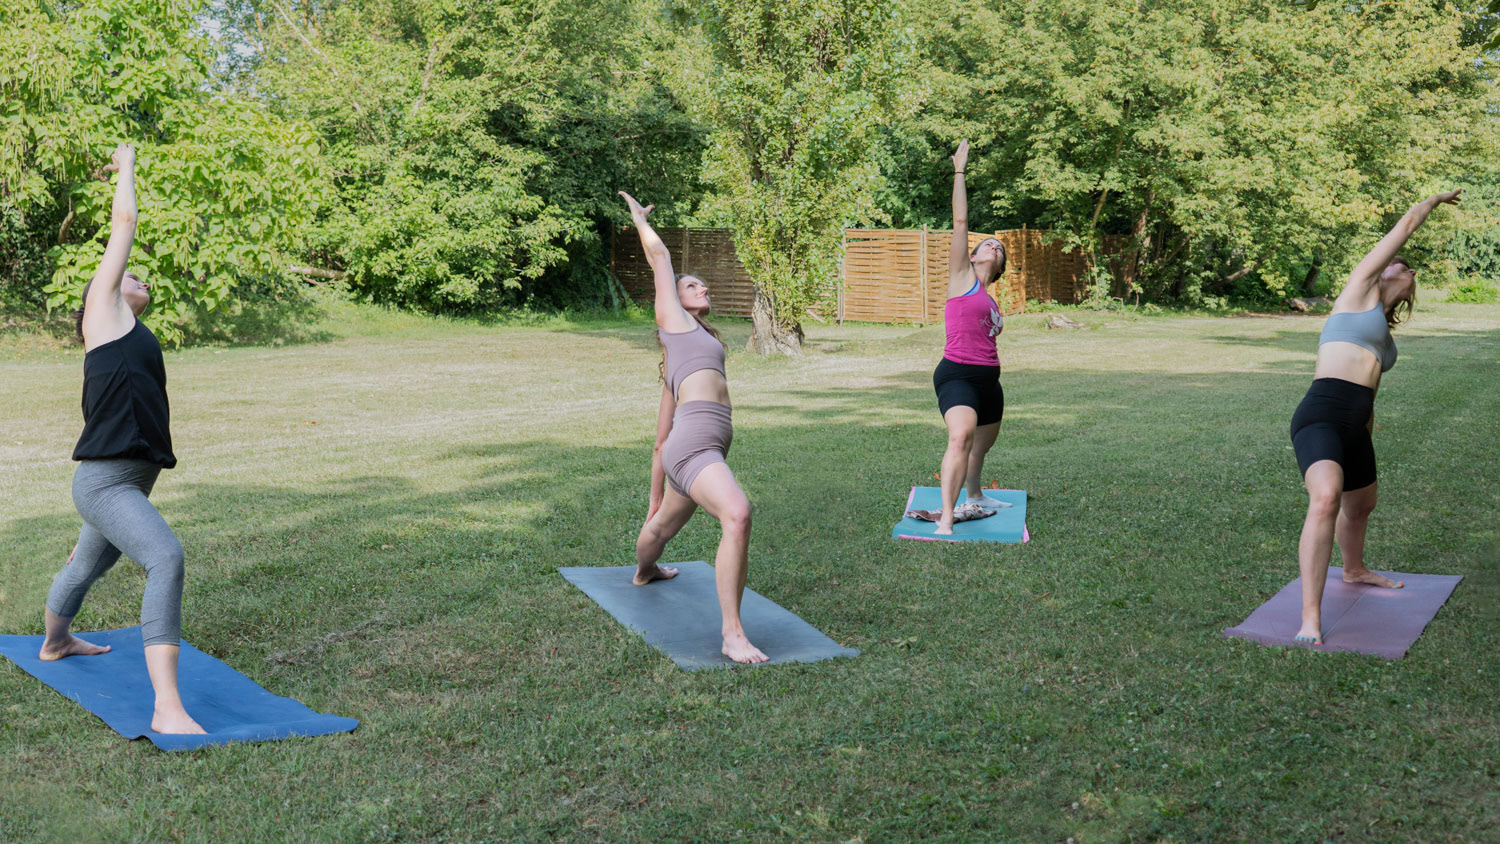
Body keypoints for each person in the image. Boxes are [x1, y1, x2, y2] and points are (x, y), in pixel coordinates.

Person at [40, 143, 205, 734]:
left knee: (86, 564)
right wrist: (127, 167)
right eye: (130, 274)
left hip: (122, 483)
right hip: (108, 482)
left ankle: (55, 642)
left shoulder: (130, 331)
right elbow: (125, 223)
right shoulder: (103, 313)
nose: (140, 277)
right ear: (103, 290)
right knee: (166, 558)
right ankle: (167, 707)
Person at [1289, 189, 1461, 644]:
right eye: (1400, 265)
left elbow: (1371, 390)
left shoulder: (1384, 335)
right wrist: (1434, 200)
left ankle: (1354, 569)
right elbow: (1404, 228)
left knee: (1362, 505)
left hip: (1356, 425)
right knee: (1325, 499)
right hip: (1321, 414)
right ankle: (1310, 618)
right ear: (1382, 272)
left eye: (1409, 269)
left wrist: (1364, 436)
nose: (1408, 269)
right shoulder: (1357, 291)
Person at [620, 190, 768, 665]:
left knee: (661, 527)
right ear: (674, 300)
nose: (702, 288)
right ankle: (732, 634)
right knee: (737, 514)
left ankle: (644, 570)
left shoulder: (686, 349)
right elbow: (660, 257)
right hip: (695, 451)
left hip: (692, 450)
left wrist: (655, 498)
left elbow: (660, 438)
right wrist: (641, 222)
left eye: (702, 285)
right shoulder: (674, 323)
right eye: (691, 285)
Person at [932, 139, 1010, 535]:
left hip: (989, 381)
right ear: (974, 256)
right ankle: (947, 519)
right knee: (961, 437)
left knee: (981, 445)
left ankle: (975, 494)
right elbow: (960, 222)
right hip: (958, 374)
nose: (993, 244)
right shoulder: (961, 278)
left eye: (999, 247)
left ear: (1000, 266)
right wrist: (960, 170)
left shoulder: (990, 299)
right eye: (987, 244)